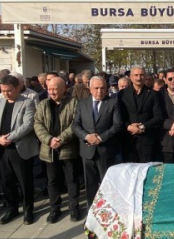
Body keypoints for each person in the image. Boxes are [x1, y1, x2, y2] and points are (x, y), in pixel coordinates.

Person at [0, 75, 38, 225]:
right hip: (1, 148)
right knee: (7, 181)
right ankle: (12, 208)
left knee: (24, 181)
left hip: (19, 148)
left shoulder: (27, 102)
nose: (6, 93)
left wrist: (9, 137)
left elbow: (28, 124)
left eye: (9, 90)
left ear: (17, 88)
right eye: (3, 90)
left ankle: (28, 210)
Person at [34, 76, 81, 223]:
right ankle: (54, 208)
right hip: (49, 149)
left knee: (72, 180)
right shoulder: (43, 104)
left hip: (67, 148)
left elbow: (75, 123)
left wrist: (61, 139)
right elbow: (38, 124)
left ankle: (74, 208)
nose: (52, 92)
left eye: (55, 89)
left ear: (64, 89)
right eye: (50, 89)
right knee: (52, 181)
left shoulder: (73, 103)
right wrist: (49, 140)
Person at [72, 75, 124, 207]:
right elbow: (75, 125)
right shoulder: (82, 103)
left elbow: (117, 125)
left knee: (107, 183)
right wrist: (87, 137)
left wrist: (100, 138)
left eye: (102, 88)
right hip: (87, 150)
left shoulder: (113, 102)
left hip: (106, 150)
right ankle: (91, 210)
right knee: (90, 184)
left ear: (106, 89)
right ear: (90, 89)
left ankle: (109, 209)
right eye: (96, 88)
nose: (99, 91)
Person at [118, 66, 164, 162]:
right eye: (136, 75)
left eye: (141, 75)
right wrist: (128, 127)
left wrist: (142, 127)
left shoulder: (153, 94)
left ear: (145, 76)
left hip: (147, 140)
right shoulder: (122, 94)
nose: (139, 78)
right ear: (130, 77)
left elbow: (159, 116)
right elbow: (119, 115)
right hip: (128, 140)